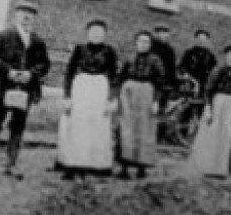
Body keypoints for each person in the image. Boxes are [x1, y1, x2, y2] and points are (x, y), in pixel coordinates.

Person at [0, 1, 51, 177]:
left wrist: (31, 74)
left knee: (18, 126)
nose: (26, 17)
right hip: (2, 86)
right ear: (16, 16)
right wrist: (8, 71)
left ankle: (11, 163)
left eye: (30, 14)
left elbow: (44, 64)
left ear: (34, 19)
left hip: (24, 89)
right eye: (22, 13)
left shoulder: (37, 41)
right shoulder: (4, 35)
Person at [59, 19, 120, 179]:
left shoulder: (110, 51)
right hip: (81, 88)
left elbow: (114, 76)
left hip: (100, 89)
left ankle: (93, 165)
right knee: (77, 126)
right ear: (88, 33)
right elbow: (69, 73)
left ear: (105, 35)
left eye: (100, 32)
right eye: (93, 31)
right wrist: (67, 96)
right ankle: (72, 165)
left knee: (96, 126)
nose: (96, 35)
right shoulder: (79, 49)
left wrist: (111, 99)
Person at [189, 44, 231, 179]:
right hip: (217, 105)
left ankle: (221, 169)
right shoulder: (218, 70)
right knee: (212, 135)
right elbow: (208, 91)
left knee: (227, 137)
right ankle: (206, 167)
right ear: (226, 57)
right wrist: (208, 109)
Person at [116, 30, 167, 180]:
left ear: (150, 45)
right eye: (140, 41)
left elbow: (161, 82)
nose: (143, 44)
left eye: (146, 42)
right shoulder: (129, 58)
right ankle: (124, 168)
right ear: (136, 42)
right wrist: (117, 97)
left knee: (145, 130)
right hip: (128, 93)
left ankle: (141, 168)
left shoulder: (155, 60)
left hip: (146, 94)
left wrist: (156, 100)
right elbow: (120, 77)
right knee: (127, 129)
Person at [150, 24, 178, 93]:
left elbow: (172, 68)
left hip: (166, 84)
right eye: (160, 33)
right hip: (152, 82)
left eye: (165, 33)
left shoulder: (170, 50)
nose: (163, 35)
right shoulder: (151, 47)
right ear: (156, 34)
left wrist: (173, 83)